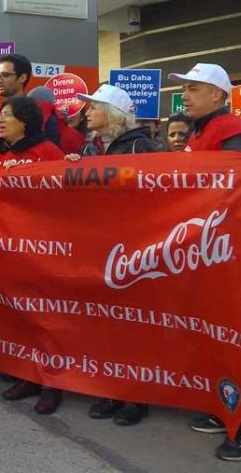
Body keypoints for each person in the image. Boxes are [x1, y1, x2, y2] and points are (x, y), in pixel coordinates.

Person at [169, 63, 241, 461]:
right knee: (209, 333)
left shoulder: (233, 132)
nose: (185, 96)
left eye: (193, 89)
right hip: (203, 250)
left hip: (227, 252)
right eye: (185, 89)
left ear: (217, 95)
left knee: (233, 337)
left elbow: (232, 191)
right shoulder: (199, 131)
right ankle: (223, 404)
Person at [63, 84, 153, 425]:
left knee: (132, 325)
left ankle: (136, 395)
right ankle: (111, 389)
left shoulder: (140, 146)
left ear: (112, 113)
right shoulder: (90, 147)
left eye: (92, 108)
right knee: (105, 323)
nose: (86, 113)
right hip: (99, 246)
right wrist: (73, 168)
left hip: (131, 247)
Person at [0, 97, 64, 413]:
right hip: (8, 254)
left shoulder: (48, 153)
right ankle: (29, 374)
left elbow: (61, 197)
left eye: (6, 116)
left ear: (25, 121)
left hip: (42, 251)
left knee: (47, 320)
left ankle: (53, 383)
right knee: (22, 316)